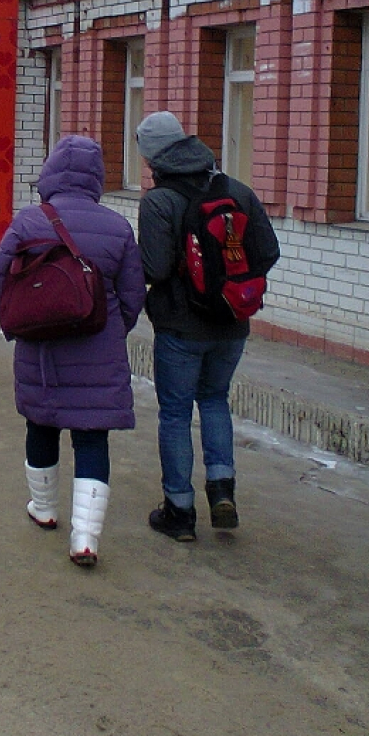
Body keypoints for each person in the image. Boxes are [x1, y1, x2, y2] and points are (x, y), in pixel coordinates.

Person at [0, 135, 146, 567]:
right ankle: (85, 538)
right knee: (92, 436)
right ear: (97, 177)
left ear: (50, 173)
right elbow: (133, 296)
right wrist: (109, 327)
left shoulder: (28, 222)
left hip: (40, 346)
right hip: (99, 349)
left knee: (41, 424)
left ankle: (43, 509)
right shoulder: (117, 227)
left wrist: (20, 321)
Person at [136, 111, 280, 542]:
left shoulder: (159, 200)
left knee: (177, 414)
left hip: (180, 328)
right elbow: (267, 252)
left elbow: (155, 268)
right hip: (232, 324)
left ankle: (179, 512)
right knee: (215, 400)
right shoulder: (235, 190)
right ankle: (222, 491)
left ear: (152, 155)